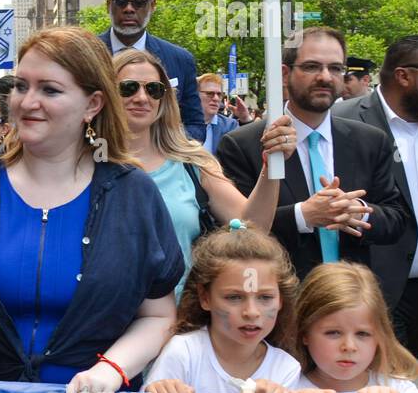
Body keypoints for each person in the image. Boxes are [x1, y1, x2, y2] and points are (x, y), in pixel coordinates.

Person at [0, 27, 185, 393]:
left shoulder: (134, 194)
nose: (28, 102)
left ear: (93, 104)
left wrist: (110, 371)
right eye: (21, 86)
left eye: (50, 90)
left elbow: (159, 315)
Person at [217, 28, 411, 296]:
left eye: (335, 68)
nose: (325, 77)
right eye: (311, 66)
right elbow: (234, 229)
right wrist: (302, 216)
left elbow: (397, 219)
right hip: (278, 300)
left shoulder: (370, 141)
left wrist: (359, 211)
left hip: (352, 299)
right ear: (285, 74)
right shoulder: (243, 144)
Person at [115, 49, 294, 293]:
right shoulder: (81, 162)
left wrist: (269, 166)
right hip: (102, 321)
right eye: (128, 87)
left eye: (153, 89)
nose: (142, 97)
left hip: (179, 322)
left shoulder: (191, 162)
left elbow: (252, 227)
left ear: (164, 99)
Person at [332, 35, 418, 357]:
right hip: (371, 289)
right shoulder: (343, 120)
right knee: (379, 389)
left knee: (403, 382)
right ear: (404, 76)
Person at [143, 226, 301, 393]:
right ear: (205, 298)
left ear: (281, 301)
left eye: (265, 297)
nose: (251, 312)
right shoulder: (184, 352)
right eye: (234, 297)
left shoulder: (285, 367)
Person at [289, 263, 418, 393]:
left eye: (363, 334)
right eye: (333, 333)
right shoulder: (285, 388)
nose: (349, 347)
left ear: (380, 336)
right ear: (304, 333)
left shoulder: (401, 392)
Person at [98, 0, 205, 141]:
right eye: (121, 1)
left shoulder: (180, 60)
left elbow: (196, 126)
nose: (129, 9)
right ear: (110, 5)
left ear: (152, 6)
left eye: (139, 2)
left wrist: (158, 146)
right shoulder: (85, 56)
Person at [197, 73, 240, 155]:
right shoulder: (179, 125)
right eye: (210, 93)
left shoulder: (230, 126)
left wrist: (246, 119)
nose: (216, 98)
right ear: (195, 95)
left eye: (219, 94)